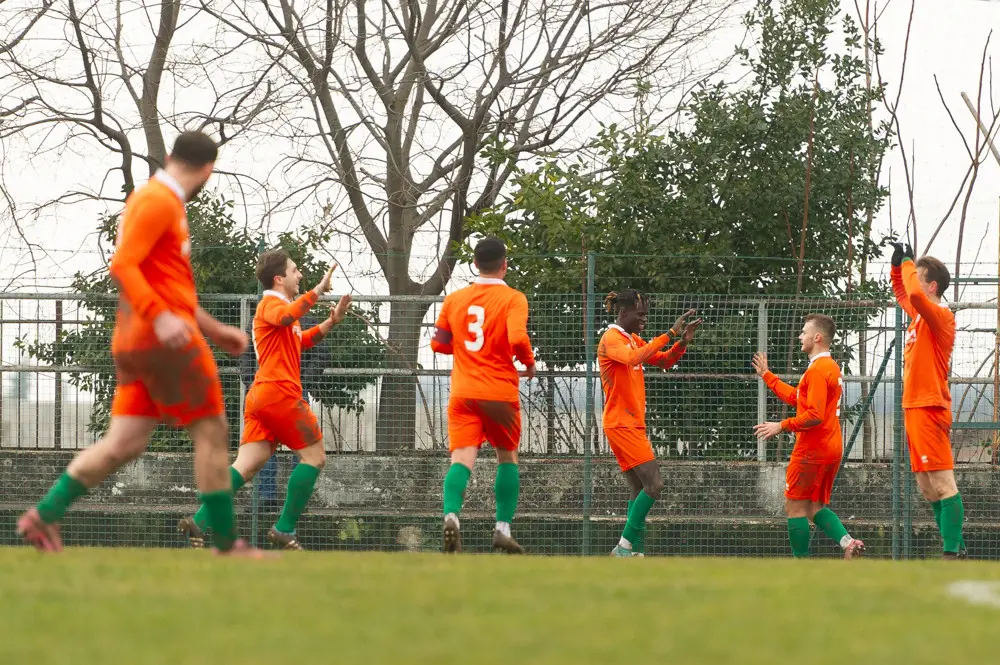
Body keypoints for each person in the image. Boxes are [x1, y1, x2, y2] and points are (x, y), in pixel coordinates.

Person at [17, 131, 261, 556]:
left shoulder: (158, 202)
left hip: (138, 341)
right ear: (209, 171)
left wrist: (214, 329)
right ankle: (226, 544)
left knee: (124, 443)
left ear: (170, 156)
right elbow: (123, 264)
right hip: (162, 340)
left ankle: (44, 514)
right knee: (211, 428)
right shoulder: (158, 201)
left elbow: (168, 285)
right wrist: (161, 316)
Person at [178, 250, 350, 549]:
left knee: (247, 464)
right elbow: (286, 317)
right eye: (295, 270)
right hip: (280, 394)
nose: (301, 275)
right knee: (315, 457)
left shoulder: (281, 309)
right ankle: (284, 528)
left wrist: (331, 322)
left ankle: (199, 520)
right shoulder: (271, 304)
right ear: (279, 278)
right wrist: (318, 291)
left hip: (261, 397)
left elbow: (302, 340)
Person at [430, 237, 535, 554]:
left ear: (475, 264)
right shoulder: (514, 299)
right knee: (507, 457)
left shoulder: (455, 299)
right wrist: (528, 363)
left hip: (463, 393)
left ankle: (451, 516)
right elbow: (517, 337)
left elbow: (438, 343)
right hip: (499, 392)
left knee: (461, 459)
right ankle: (502, 528)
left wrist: (463, 347)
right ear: (504, 264)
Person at [753, 314, 865, 559]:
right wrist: (768, 376)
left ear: (817, 337)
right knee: (815, 507)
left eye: (804, 332)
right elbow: (799, 399)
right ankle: (848, 543)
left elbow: (813, 414)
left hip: (812, 448)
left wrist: (781, 425)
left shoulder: (817, 370)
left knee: (794, 507)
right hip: (831, 446)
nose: (799, 336)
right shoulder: (829, 367)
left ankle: (801, 564)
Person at [598, 290, 701, 557]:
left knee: (638, 488)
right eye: (640, 315)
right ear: (624, 313)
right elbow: (634, 358)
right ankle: (623, 548)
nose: (644, 320)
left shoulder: (631, 339)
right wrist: (670, 333)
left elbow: (664, 360)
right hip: (622, 424)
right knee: (654, 485)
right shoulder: (611, 339)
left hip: (629, 423)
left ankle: (634, 552)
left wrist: (682, 343)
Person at [890, 241, 965, 558]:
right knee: (926, 487)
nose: (912, 281)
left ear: (932, 285)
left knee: (943, 484)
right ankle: (957, 549)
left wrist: (908, 261)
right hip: (913, 407)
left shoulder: (940, 316)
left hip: (930, 405)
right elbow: (905, 294)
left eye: (917, 276)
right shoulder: (920, 315)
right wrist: (898, 267)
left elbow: (915, 296)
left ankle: (951, 555)